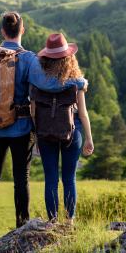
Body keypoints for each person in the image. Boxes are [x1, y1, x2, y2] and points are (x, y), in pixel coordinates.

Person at [0, 12, 86, 243]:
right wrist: (77, 82)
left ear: (3, 32)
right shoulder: (29, 58)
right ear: (23, 30)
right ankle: (21, 228)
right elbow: (48, 85)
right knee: (21, 178)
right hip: (20, 127)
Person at [31, 33, 94, 225]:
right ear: (69, 58)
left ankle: (52, 222)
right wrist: (89, 138)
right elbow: (82, 114)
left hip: (45, 133)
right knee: (69, 179)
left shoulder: (37, 81)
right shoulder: (76, 81)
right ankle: (69, 222)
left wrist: (36, 138)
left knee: (50, 179)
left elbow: (33, 113)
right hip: (71, 132)